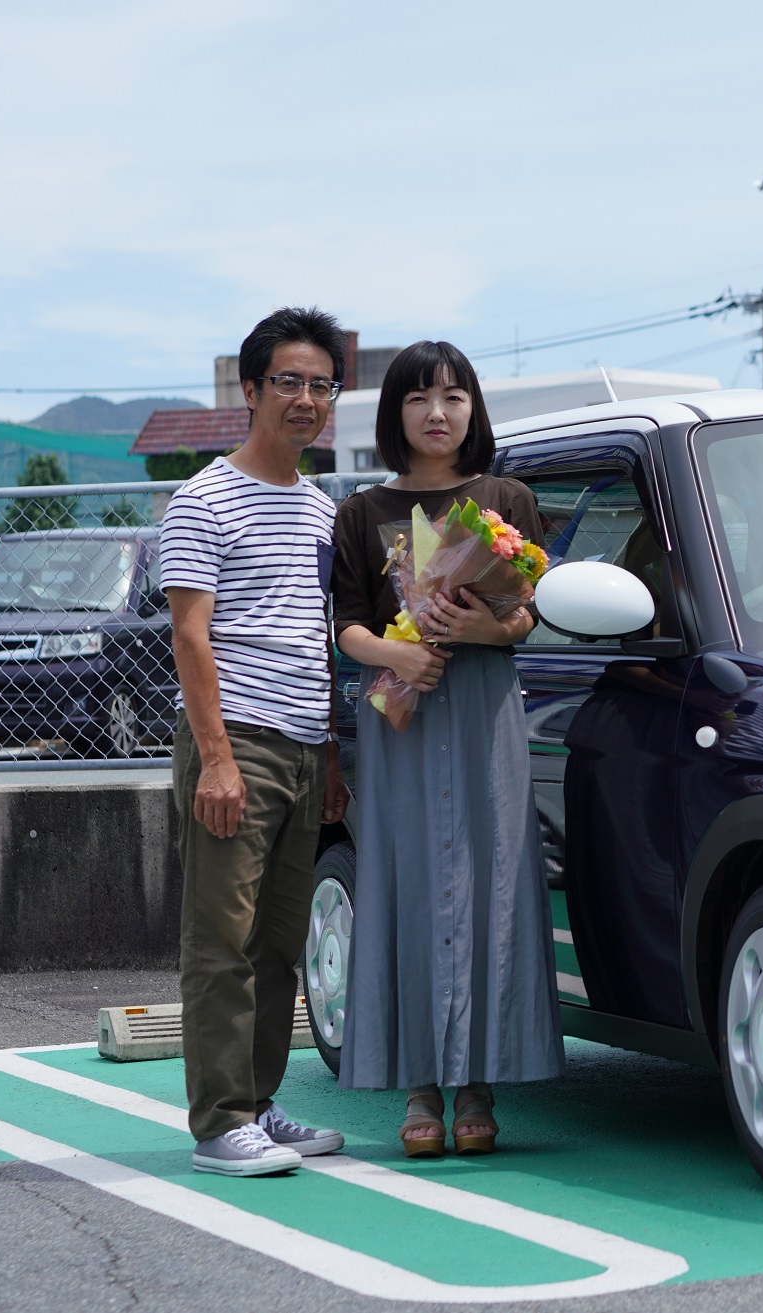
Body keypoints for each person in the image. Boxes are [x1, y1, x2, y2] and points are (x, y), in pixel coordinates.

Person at [330, 340, 563, 1155]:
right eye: (419, 397)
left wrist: (483, 626)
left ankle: (478, 1087)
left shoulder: (506, 497)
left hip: (479, 705)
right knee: (405, 881)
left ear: (474, 408)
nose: (437, 412)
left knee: (491, 879)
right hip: (398, 709)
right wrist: (394, 654)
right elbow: (347, 624)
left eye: (453, 396)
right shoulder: (361, 510)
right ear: (394, 413)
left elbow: (527, 614)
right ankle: (419, 1088)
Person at [161, 307, 352, 1176]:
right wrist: (218, 758)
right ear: (249, 390)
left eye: (321, 384)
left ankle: (259, 1103)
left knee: (281, 943)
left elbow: (319, 636)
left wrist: (334, 757)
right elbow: (190, 637)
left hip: (306, 748)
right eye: (288, 381)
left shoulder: (320, 508)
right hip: (236, 739)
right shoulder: (203, 498)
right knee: (221, 939)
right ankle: (217, 1123)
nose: (306, 398)